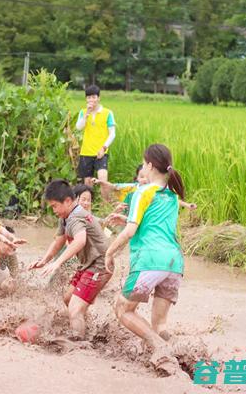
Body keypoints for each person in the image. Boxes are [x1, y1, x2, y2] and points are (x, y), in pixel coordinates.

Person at [104, 144, 187, 376]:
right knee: (160, 325)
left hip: (151, 261)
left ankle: (159, 348)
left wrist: (109, 252)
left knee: (123, 309)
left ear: (149, 165)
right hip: (174, 263)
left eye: (143, 162)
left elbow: (131, 232)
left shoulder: (144, 191)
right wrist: (127, 218)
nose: (142, 166)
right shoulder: (172, 196)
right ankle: (183, 353)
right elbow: (155, 225)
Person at [29, 180, 112, 340]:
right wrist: (45, 260)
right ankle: (87, 330)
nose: (53, 210)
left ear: (67, 201)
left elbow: (80, 240)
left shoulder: (75, 217)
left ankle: (79, 347)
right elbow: (59, 240)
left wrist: (57, 263)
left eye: (54, 206)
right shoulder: (65, 216)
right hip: (88, 264)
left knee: (74, 309)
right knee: (68, 298)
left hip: (100, 266)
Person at [75, 85, 116, 201]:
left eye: (93, 97)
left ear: (98, 98)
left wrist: (104, 148)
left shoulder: (107, 113)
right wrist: (86, 115)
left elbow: (112, 133)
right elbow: (78, 127)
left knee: (103, 178)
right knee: (87, 182)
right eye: (88, 97)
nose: (91, 100)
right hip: (86, 152)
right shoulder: (83, 112)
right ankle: (89, 207)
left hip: (101, 152)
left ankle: (105, 206)